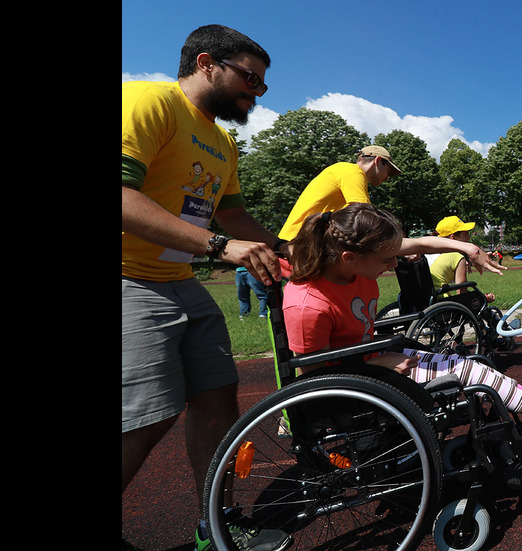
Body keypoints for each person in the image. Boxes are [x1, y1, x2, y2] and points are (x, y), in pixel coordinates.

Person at [122, 24, 291, 550]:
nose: (256, 92)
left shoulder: (222, 142)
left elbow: (234, 216)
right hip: (129, 278)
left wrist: (292, 252)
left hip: (177, 280)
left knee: (219, 398)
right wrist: (218, 247)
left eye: (262, 84)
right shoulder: (149, 100)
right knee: (147, 415)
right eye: (249, 78)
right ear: (205, 63)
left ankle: (215, 525)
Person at [282, 203, 522, 442]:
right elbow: (315, 379)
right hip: (360, 382)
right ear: (350, 258)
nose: (394, 264)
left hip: (375, 360)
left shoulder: (354, 258)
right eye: (387, 260)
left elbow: (419, 244)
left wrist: (466, 247)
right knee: (472, 373)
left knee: (473, 365)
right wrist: (376, 364)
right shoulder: (308, 303)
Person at [277, 145, 402, 240]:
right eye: (388, 170)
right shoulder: (353, 172)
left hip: (294, 245)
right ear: (378, 161)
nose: (387, 177)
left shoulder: (343, 172)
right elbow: (365, 219)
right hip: (295, 248)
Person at [429, 215, 493, 302]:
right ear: (452, 237)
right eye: (465, 234)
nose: (469, 237)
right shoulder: (456, 257)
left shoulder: (428, 254)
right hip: (442, 303)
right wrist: (484, 299)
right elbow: (462, 295)